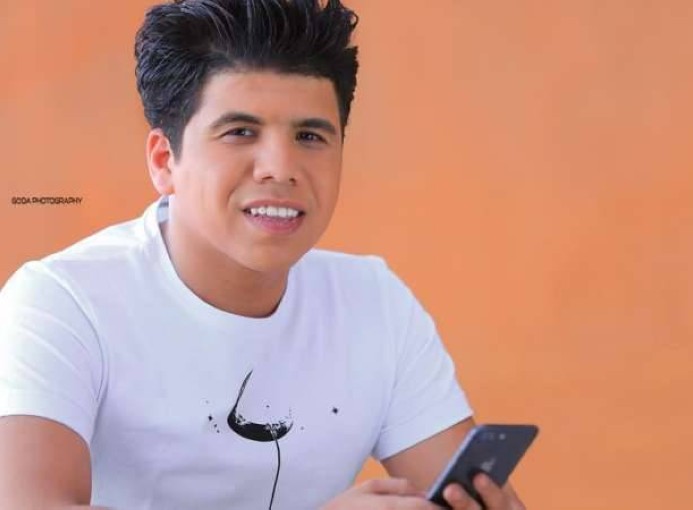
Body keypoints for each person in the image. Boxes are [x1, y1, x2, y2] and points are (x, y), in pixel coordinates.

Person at [0, 1, 528, 509]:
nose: (280, 167)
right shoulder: (63, 302)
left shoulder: (375, 304)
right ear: (164, 161)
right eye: (240, 132)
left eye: (310, 136)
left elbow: (463, 493)